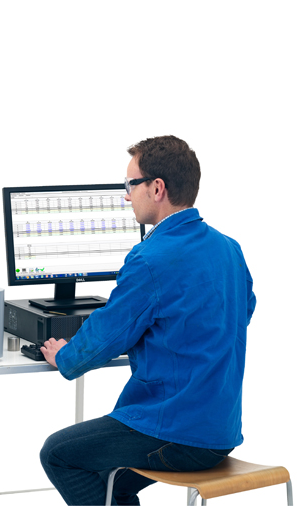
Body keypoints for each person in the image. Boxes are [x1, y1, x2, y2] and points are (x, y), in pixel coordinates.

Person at [39, 135, 256, 506]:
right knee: (111, 483)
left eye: (130, 184)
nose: (127, 196)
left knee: (58, 453)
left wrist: (65, 356)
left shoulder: (151, 258)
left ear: (157, 188)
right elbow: (242, 310)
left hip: (175, 431)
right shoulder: (228, 248)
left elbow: (105, 337)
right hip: (220, 433)